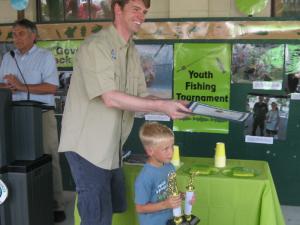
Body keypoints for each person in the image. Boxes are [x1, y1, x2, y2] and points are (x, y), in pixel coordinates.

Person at [58, 1, 191, 225]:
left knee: (112, 210)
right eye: (136, 8)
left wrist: (171, 104)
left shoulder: (131, 51)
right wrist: (161, 107)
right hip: (87, 148)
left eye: (145, 11)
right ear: (117, 9)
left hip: (111, 148)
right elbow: (109, 97)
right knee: (97, 218)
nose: (141, 15)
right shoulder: (97, 46)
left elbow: (142, 96)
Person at [0, 19, 66, 223]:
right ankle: (22, 200)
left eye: (20, 33)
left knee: (49, 158)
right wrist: (6, 87)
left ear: (33, 36)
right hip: (12, 114)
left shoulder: (45, 57)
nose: (15, 38)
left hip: (41, 115)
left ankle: (56, 205)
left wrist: (21, 86)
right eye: (13, 34)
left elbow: (52, 88)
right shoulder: (7, 57)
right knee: (17, 159)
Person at [135, 122, 195, 225]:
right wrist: (165, 204)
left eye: (172, 146)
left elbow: (171, 192)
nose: (171, 152)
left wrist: (184, 196)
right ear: (150, 151)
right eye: (165, 149)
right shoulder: (145, 177)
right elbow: (140, 208)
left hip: (171, 220)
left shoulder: (169, 166)